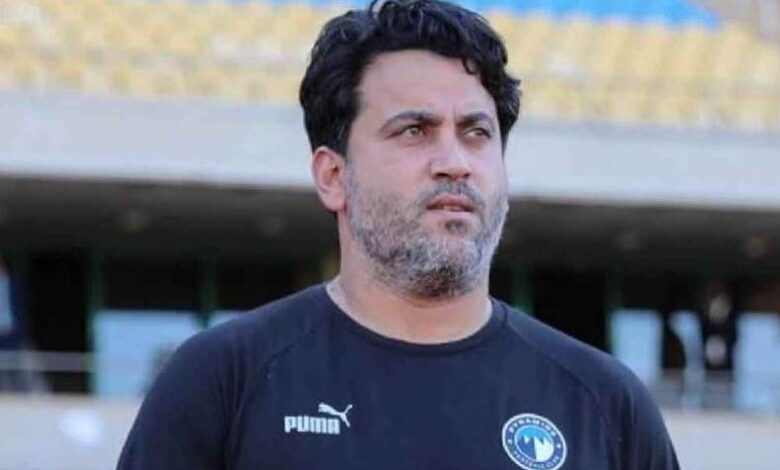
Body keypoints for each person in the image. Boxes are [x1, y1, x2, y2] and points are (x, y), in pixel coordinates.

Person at [118, 0, 680, 469]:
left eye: (476, 133)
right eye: (414, 131)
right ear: (333, 176)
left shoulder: (607, 406)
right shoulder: (223, 382)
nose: (454, 162)